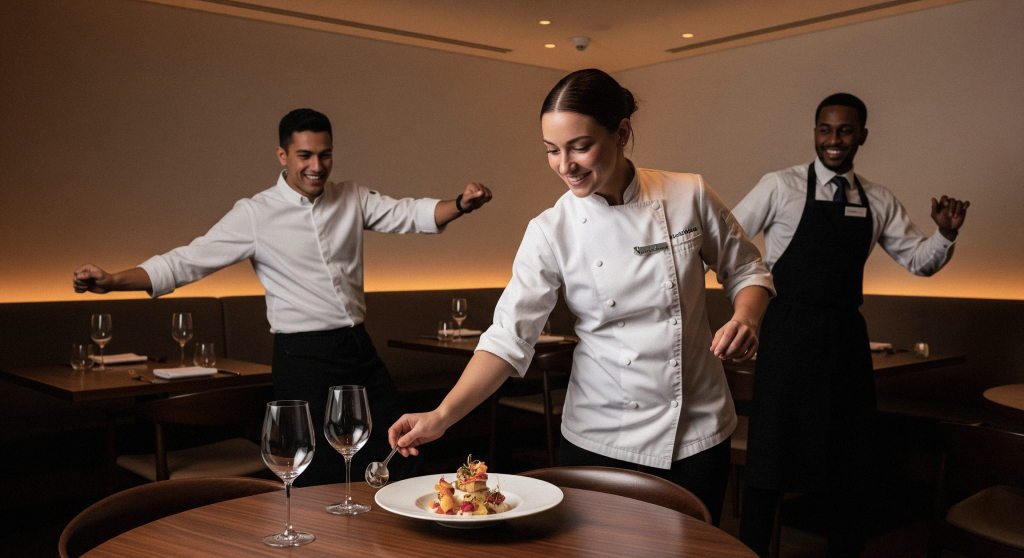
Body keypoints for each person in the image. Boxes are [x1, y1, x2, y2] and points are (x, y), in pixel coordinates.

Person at [388, 69, 775, 526]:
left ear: (622, 132)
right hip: (599, 435)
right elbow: (508, 339)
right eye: (552, 150)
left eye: (580, 146)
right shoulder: (550, 231)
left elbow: (747, 268)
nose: (564, 165)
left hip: (694, 430)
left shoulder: (687, 194)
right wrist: (443, 415)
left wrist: (747, 318)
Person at [72, 108, 493, 487]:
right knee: (319, 469)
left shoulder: (352, 197)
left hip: (357, 348)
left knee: (398, 448)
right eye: (305, 156)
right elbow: (186, 262)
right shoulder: (255, 214)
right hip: (302, 356)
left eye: (324, 155)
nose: (316, 166)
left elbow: (411, 213)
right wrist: (113, 280)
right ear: (282, 156)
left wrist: (460, 204)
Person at [732, 93, 969, 557]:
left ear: (862, 135)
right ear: (815, 132)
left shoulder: (877, 199)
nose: (833, 140)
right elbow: (729, 239)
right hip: (787, 330)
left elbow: (919, 262)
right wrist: (747, 302)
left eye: (844, 130)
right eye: (825, 129)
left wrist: (946, 233)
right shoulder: (779, 186)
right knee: (771, 455)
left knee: (852, 457)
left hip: (845, 335)